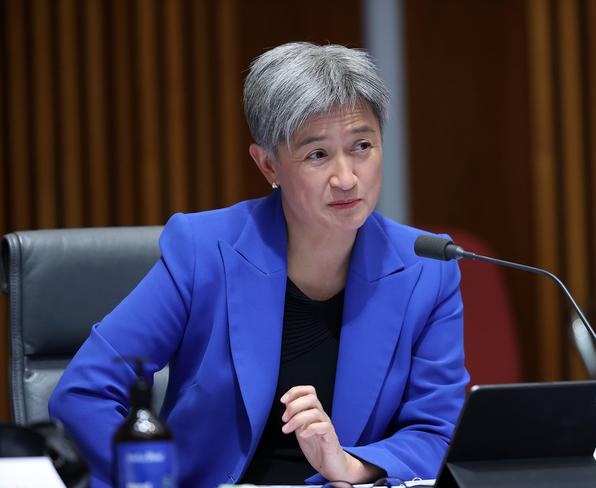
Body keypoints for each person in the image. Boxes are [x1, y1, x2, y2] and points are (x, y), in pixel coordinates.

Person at [49, 41, 468, 487]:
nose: (346, 178)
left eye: (362, 145)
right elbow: (85, 393)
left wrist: (350, 465)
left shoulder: (427, 267)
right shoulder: (205, 251)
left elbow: (438, 431)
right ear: (268, 164)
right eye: (317, 154)